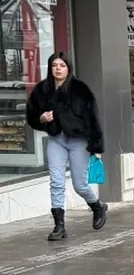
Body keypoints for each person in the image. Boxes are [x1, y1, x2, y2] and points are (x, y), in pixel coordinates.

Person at [24, 52, 108, 241]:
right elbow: (31, 115)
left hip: (79, 142)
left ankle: (97, 205)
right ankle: (59, 226)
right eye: (54, 65)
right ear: (50, 68)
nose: (58, 69)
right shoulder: (42, 90)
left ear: (68, 68)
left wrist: (96, 147)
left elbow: (93, 119)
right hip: (56, 140)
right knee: (56, 182)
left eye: (62, 65)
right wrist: (41, 119)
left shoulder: (80, 89)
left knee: (80, 185)